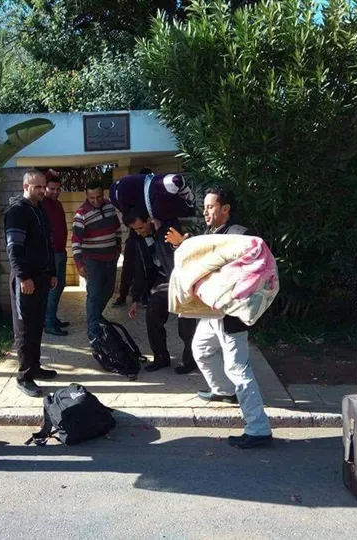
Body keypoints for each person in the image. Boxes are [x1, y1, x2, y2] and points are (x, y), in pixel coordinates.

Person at [165, 186, 273, 449]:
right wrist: (183, 246)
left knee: (238, 369)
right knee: (201, 350)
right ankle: (225, 391)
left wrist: (186, 246)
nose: (205, 212)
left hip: (231, 316)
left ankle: (258, 428)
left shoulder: (241, 236)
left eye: (210, 207)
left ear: (226, 209)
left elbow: (246, 271)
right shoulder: (214, 235)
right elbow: (202, 263)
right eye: (204, 207)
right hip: (212, 313)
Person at [124, 207, 197, 374]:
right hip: (163, 282)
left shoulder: (168, 231)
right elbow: (140, 270)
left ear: (149, 220)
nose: (139, 232)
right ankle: (161, 357)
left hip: (182, 280)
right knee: (152, 314)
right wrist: (135, 299)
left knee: (185, 324)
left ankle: (190, 360)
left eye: (141, 227)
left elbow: (186, 253)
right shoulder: (140, 240)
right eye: (135, 230)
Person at [5, 169, 58, 398]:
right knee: (25, 329)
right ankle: (24, 376)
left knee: (36, 326)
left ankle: (35, 367)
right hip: (25, 280)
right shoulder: (17, 211)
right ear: (25, 186)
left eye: (44, 186)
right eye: (38, 187)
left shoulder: (40, 210)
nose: (43, 190)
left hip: (42, 278)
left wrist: (52, 272)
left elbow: (48, 243)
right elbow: (14, 248)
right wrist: (23, 277)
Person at [71, 180, 121, 343]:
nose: (96, 200)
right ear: (86, 195)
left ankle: (96, 316)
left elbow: (117, 229)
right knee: (94, 294)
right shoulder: (81, 214)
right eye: (92, 198)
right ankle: (93, 330)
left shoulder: (110, 206)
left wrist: (118, 248)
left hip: (111, 258)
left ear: (103, 193)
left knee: (108, 291)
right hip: (93, 262)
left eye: (98, 197)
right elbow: (76, 242)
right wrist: (79, 264)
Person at [112, 168, 153, 308]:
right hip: (134, 236)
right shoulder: (132, 197)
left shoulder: (150, 197)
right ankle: (123, 295)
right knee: (128, 266)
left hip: (147, 235)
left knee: (145, 265)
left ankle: (143, 295)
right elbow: (126, 216)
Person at [41, 169, 70, 336]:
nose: (55, 192)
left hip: (61, 251)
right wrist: (48, 173)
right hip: (51, 254)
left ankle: (52, 317)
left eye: (58, 189)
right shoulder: (42, 204)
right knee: (54, 287)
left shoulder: (57, 204)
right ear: (45, 188)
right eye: (51, 189)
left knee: (60, 286)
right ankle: (49, 323)